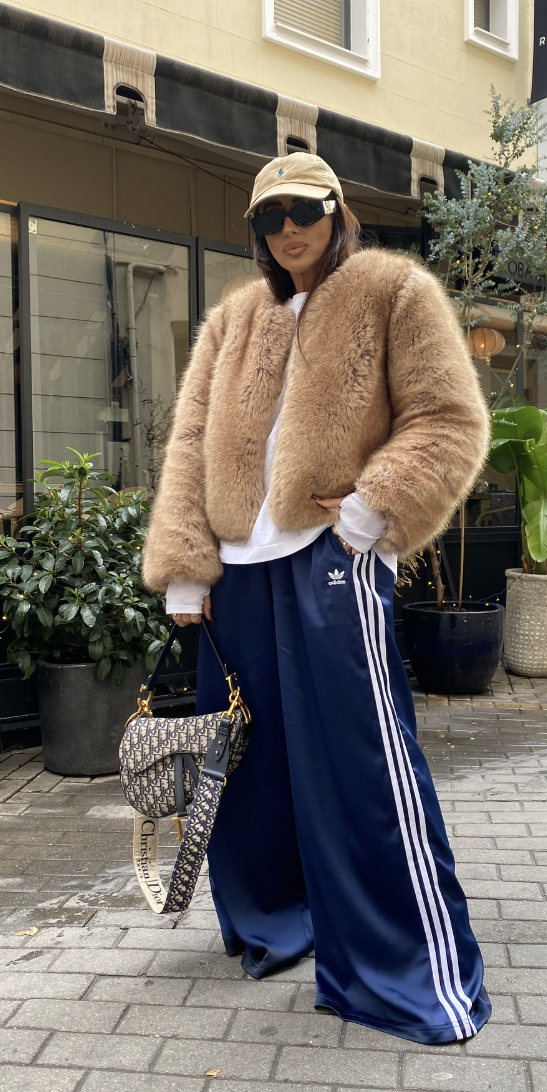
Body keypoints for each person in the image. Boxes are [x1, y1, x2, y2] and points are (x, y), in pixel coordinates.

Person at [142, 152, 492, 1045]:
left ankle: (403, 968)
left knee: (361, 762)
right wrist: (186, 565)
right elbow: (188, 439)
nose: (288, 229)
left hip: (331, 555)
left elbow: (448, 417)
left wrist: (375, 509)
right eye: (269, 218)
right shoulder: (234, 319)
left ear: (337, 210)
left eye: (303, 209)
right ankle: (273, 922)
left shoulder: (392, 289)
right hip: (238, 571)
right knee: (248, 764)